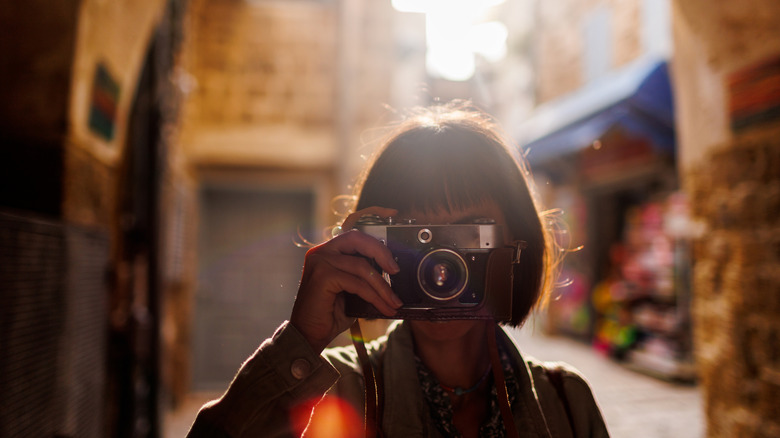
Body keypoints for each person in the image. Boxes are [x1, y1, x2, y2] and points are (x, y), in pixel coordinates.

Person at [186, 101, 609, 438]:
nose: (441, 268)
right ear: (369, 244)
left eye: (466, 237)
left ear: (516, 244)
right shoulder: (328, 395)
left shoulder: (567, 402)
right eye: (418, 238)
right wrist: (300, 343)